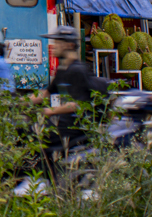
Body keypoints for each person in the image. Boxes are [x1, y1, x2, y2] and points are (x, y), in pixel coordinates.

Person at [36, 25, 107, 155]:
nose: (52, 46)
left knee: (35, 136)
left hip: (74, 127)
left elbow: (75, 105)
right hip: (63, 123)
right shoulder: (63, 70)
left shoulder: (77, 70)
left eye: (57, 42)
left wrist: (50, 111)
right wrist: (19, 102)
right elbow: (45, 94)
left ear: (68, 45)